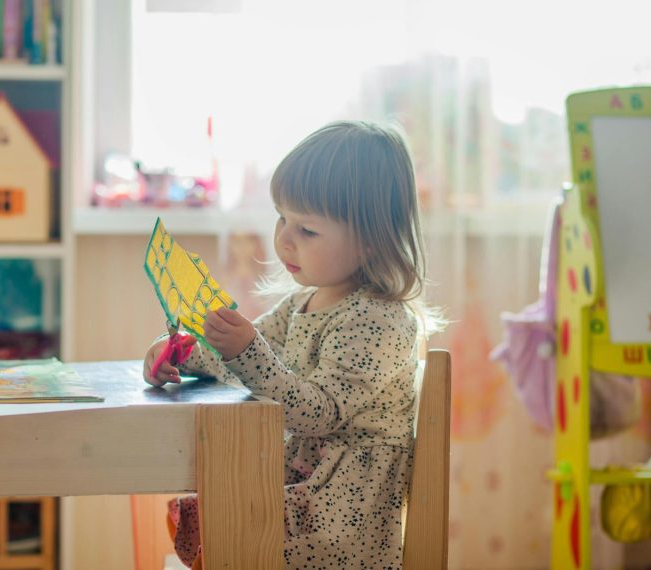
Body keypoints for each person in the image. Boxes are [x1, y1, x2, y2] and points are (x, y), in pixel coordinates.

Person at [143, 120, 440, 569]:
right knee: (216, 506)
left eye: (308, 230)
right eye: (283, 218)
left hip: (340, 522)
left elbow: (317, 412)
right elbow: (243, 360)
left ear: (372, 239)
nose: (284, 238)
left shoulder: (380, 320)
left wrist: (245, 349)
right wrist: (186, 354)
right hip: (302, 491)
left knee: (227, 519)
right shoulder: (301, 302)